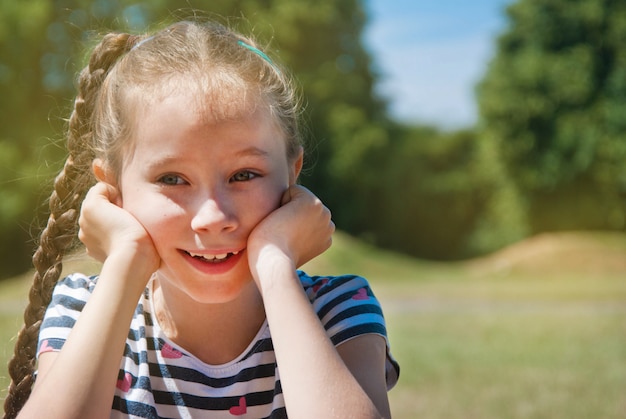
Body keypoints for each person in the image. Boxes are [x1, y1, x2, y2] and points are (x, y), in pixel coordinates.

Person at [4, 19, 399, 419]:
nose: (213, 217)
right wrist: (126, 261)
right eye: (171, 179)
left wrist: (275, 264)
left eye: (244, 175)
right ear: (113, 189)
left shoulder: (339, 309)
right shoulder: (85, 308)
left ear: (293, 172)